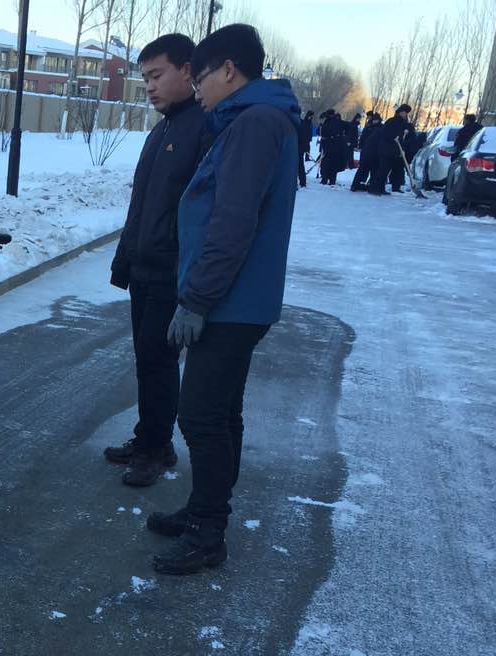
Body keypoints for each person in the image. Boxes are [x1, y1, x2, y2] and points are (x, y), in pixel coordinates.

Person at [147, 22, 301, 575]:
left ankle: (209, 532)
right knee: (223, 412)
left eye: (202, 75)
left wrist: (195, 300)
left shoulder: (255, 124)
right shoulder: (252, 120)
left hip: (230, 304)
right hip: (236, 301)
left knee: (201, 416)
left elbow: (232, 225)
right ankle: (203, 509)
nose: (199, 87)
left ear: (229, 70)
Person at [107, 33, 213, 486]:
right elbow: (142, 202)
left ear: (187, 71)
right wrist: (124, 257)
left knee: (159, 361)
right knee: (145, 358)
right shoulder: (162, 128)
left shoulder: (204, 129)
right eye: (144, 77)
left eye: (156, 75)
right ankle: (151, 437)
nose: (148, 86)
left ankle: (155, 448)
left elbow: (204, 213)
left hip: (173, 273)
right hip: (144, 266)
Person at [369, 103, 411, 195]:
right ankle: (375, 188)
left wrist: (405, 132)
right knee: (383, 170)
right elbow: (385, 133)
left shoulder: (403, 123)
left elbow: (403, 136)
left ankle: (381, 188)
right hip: (386, 150)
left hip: (395, 151)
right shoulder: (391, 121)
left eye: (406, 113)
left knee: (387, 171)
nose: (405, 115)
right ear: (400, 112)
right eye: (404, 112)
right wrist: (393, 137)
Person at [351, 112, 382, 191]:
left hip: (375, 152)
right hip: (366, 152)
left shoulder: (381, 128)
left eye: (376, 120)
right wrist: (361, 146)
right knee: (363, 169)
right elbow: (363, 137)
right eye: (374, 120)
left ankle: (372, 186)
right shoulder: (369, 127)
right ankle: (356, 185)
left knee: (374, 170)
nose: (375, 121)